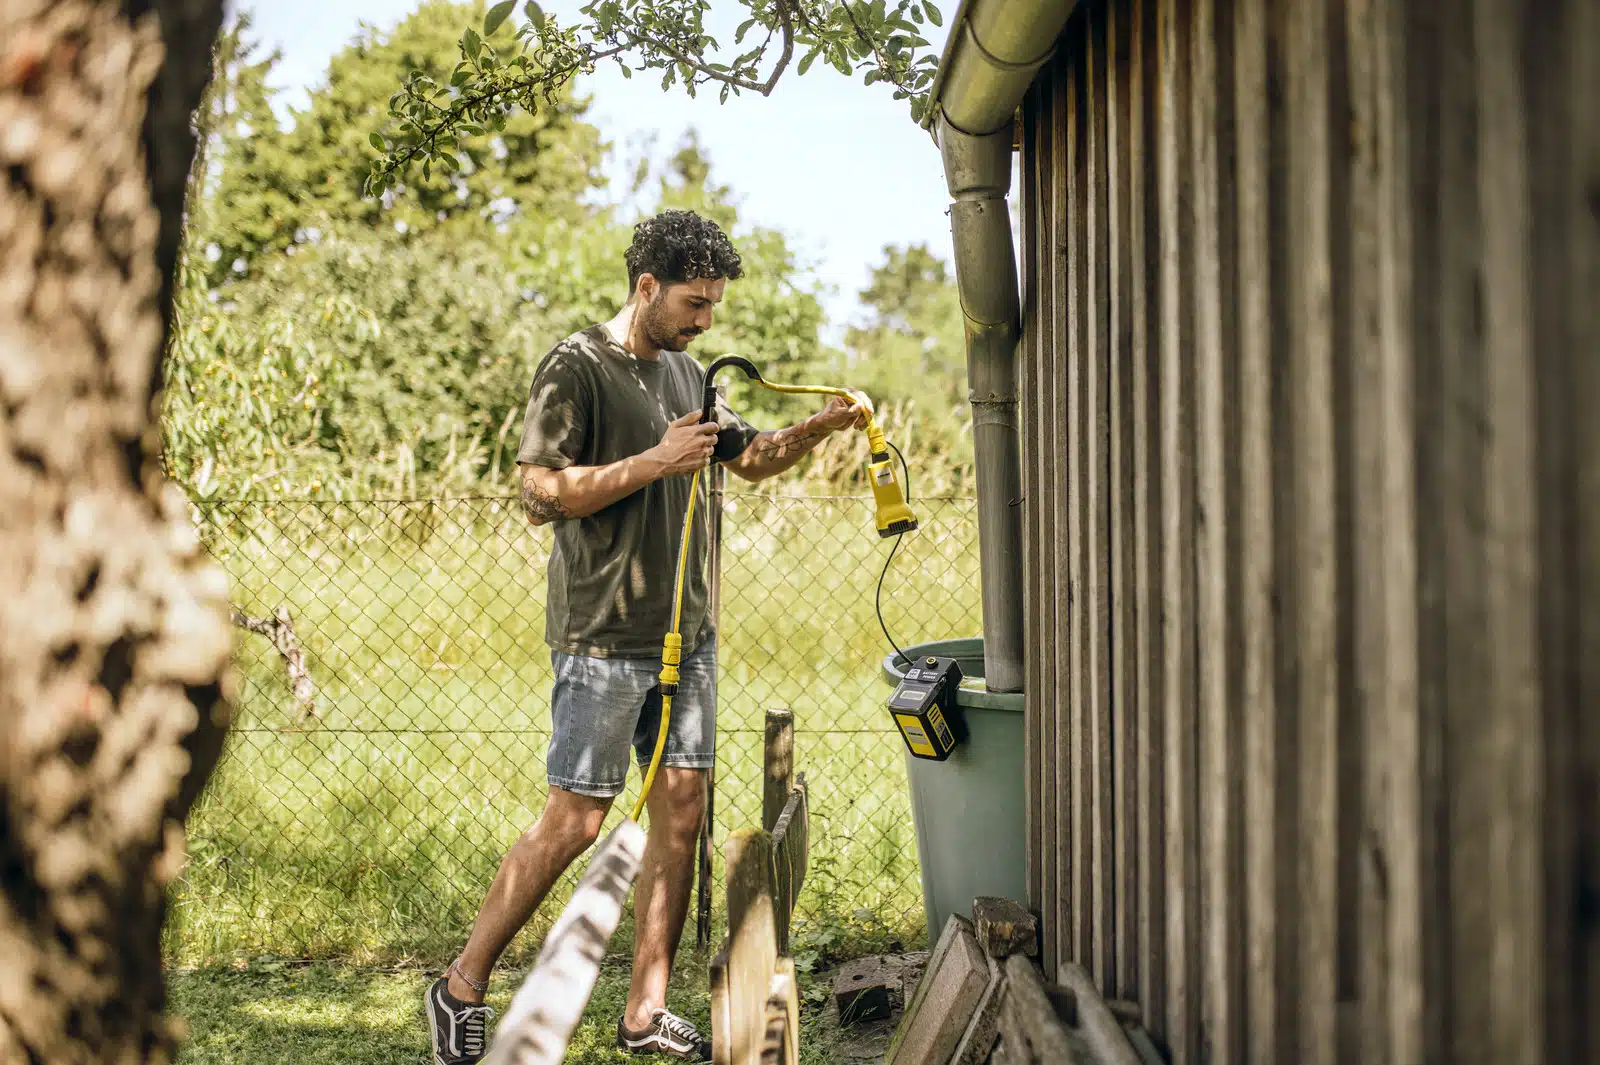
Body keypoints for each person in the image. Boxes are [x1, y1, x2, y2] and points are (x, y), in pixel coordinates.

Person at [425, 209, 867, 1064]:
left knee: (681, 816)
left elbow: (752, 455)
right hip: (603, 636)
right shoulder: (577, 366)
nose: (706, 321)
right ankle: (461, 986)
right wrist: (654, 462)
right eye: (695, 303)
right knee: (576, 820)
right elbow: (539, 491)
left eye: (713, 307)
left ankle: (644, 1011)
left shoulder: (689, 373)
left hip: (686, 639)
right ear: (647, 287)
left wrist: (826, 425)